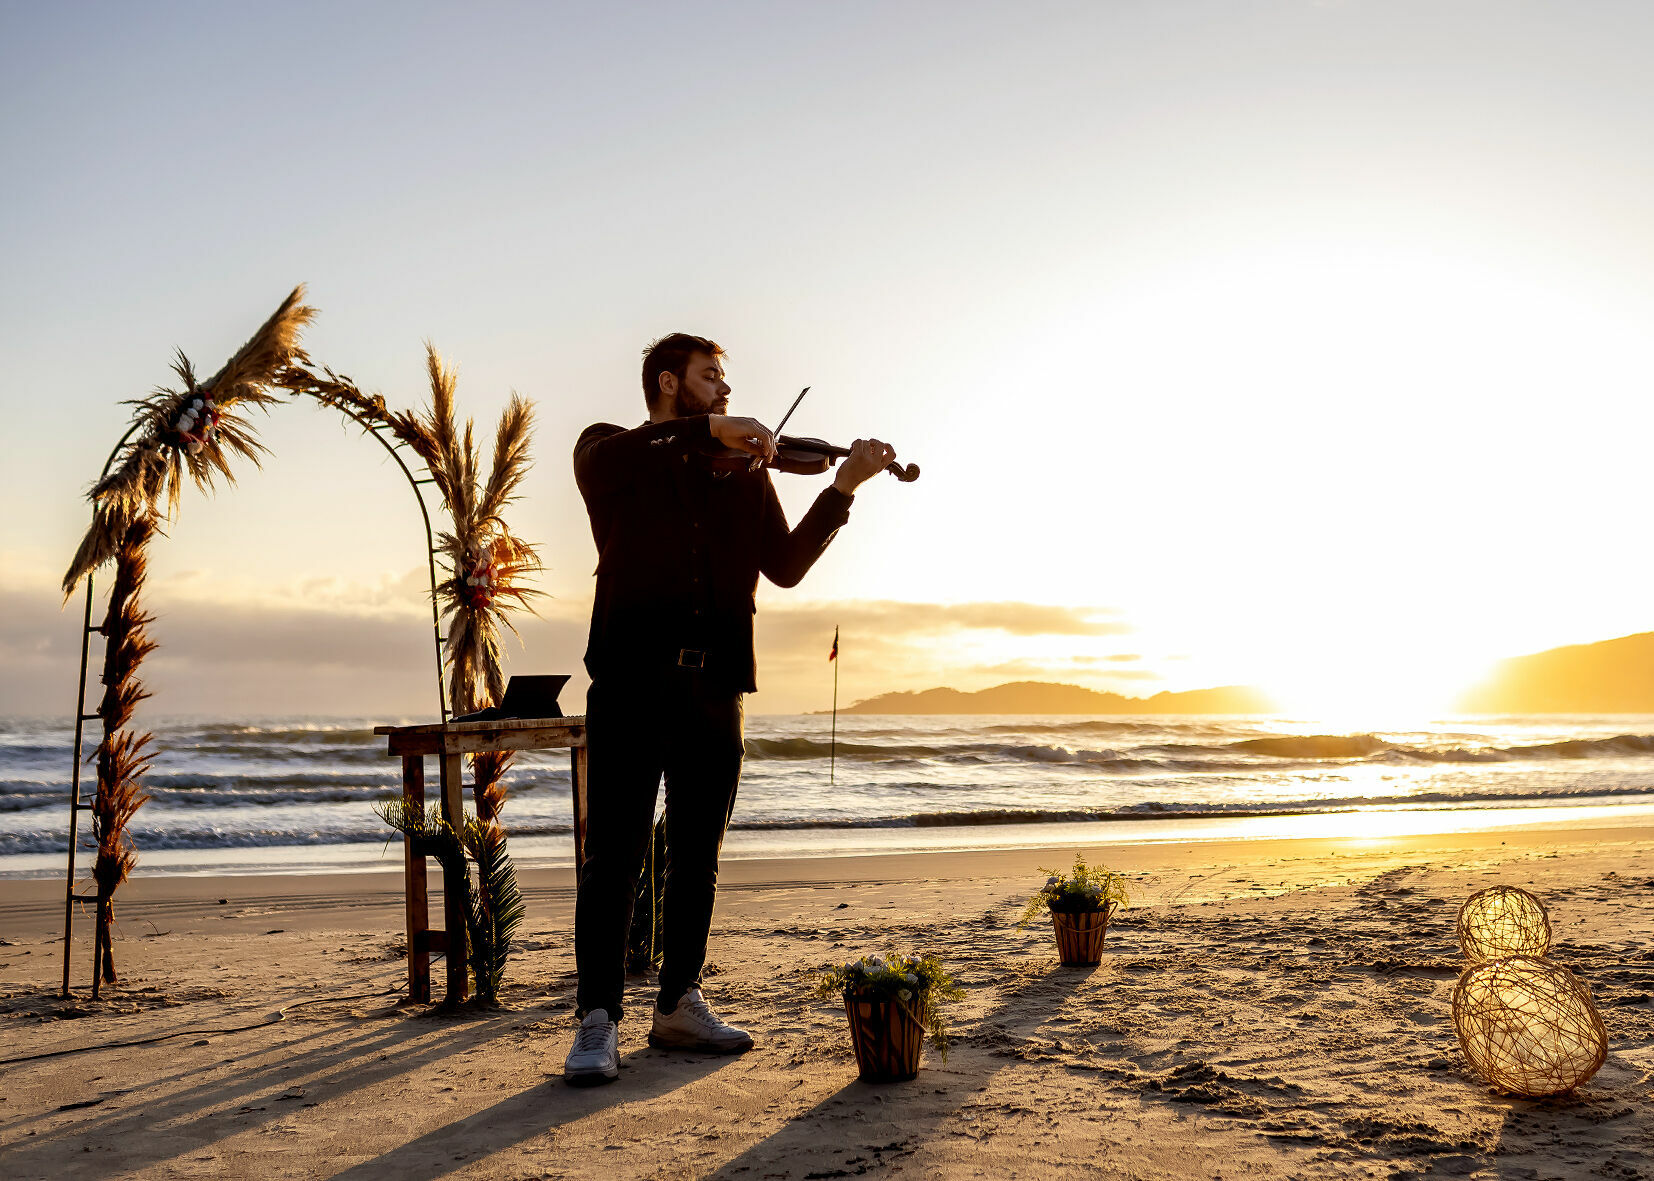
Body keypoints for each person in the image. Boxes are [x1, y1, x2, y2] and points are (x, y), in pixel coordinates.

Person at [562, 333, 896, 1085]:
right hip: (628, 679)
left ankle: (679, 1001)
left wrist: (843, 487)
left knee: (697, 856)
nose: (725, 390)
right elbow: (605, 463)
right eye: (712, 377)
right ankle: (597, 1019)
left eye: (726, 381)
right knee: (613, 853)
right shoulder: (610, 451)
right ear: (669, 381)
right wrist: (708, 431)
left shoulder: (744, 476)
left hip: (717, 687)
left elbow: (783, 566)